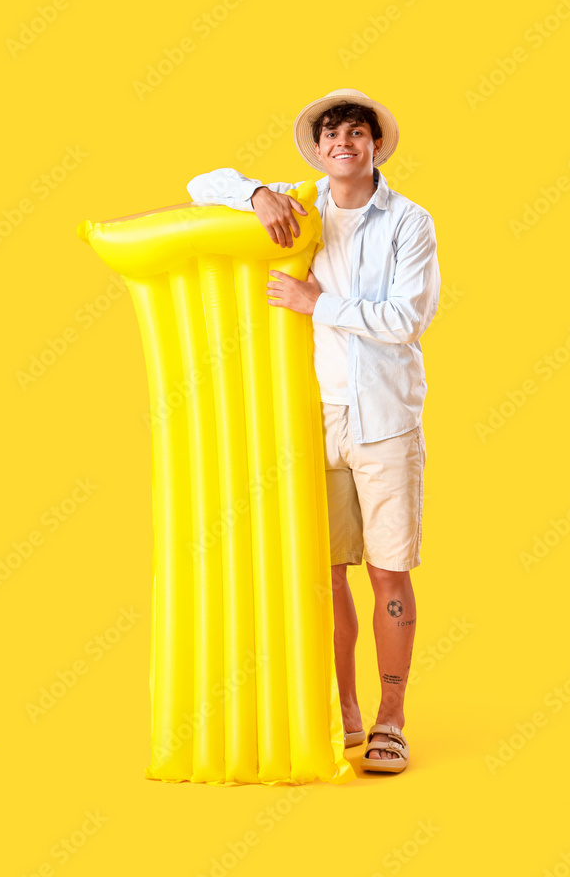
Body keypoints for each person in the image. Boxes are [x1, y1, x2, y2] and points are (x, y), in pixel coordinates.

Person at [187, 88, 440, 774]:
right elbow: (198, 184)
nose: (342, 143)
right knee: (325, 574)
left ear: (374, 145)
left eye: (356, 132)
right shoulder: (301, 206)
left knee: (387, 570)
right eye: (330, 134)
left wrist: (316, 302)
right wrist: (255, 194)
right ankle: (347, 706)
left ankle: (392, 717)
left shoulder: (409, 222)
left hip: (386, 421)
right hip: (313, 419)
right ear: (318, 148)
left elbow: (404, 319)